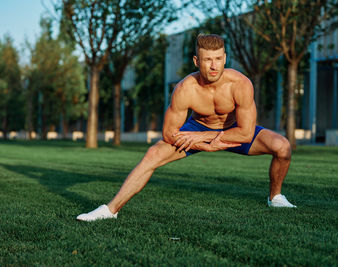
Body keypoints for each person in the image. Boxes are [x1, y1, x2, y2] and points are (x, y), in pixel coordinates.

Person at [77, 34, 296, 222]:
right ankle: (110, 210)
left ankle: (275, 197)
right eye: (207, 60)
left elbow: (246, 133)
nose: (213, 66)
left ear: (225, 59)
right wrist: (203, 141)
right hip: (197, 129)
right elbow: (168, 133)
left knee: (282, 146)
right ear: (196, 60)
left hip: (233, 131)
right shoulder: (185, 89)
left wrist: (208, 139)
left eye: (218, 59)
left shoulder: (240, 84)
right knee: (153, 153)